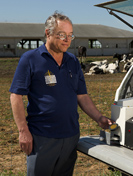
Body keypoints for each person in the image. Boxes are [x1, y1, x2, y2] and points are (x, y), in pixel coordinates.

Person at [9, 11, 113, 176]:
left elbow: (82, 95)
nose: (67, 40)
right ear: (47, 33)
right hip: (42, 137)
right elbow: (16, 95)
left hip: (70, 136)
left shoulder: (72, 61)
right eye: (62, 35)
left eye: (70, 35)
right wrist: (23, 131)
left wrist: (99, 118)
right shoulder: (30, 59)